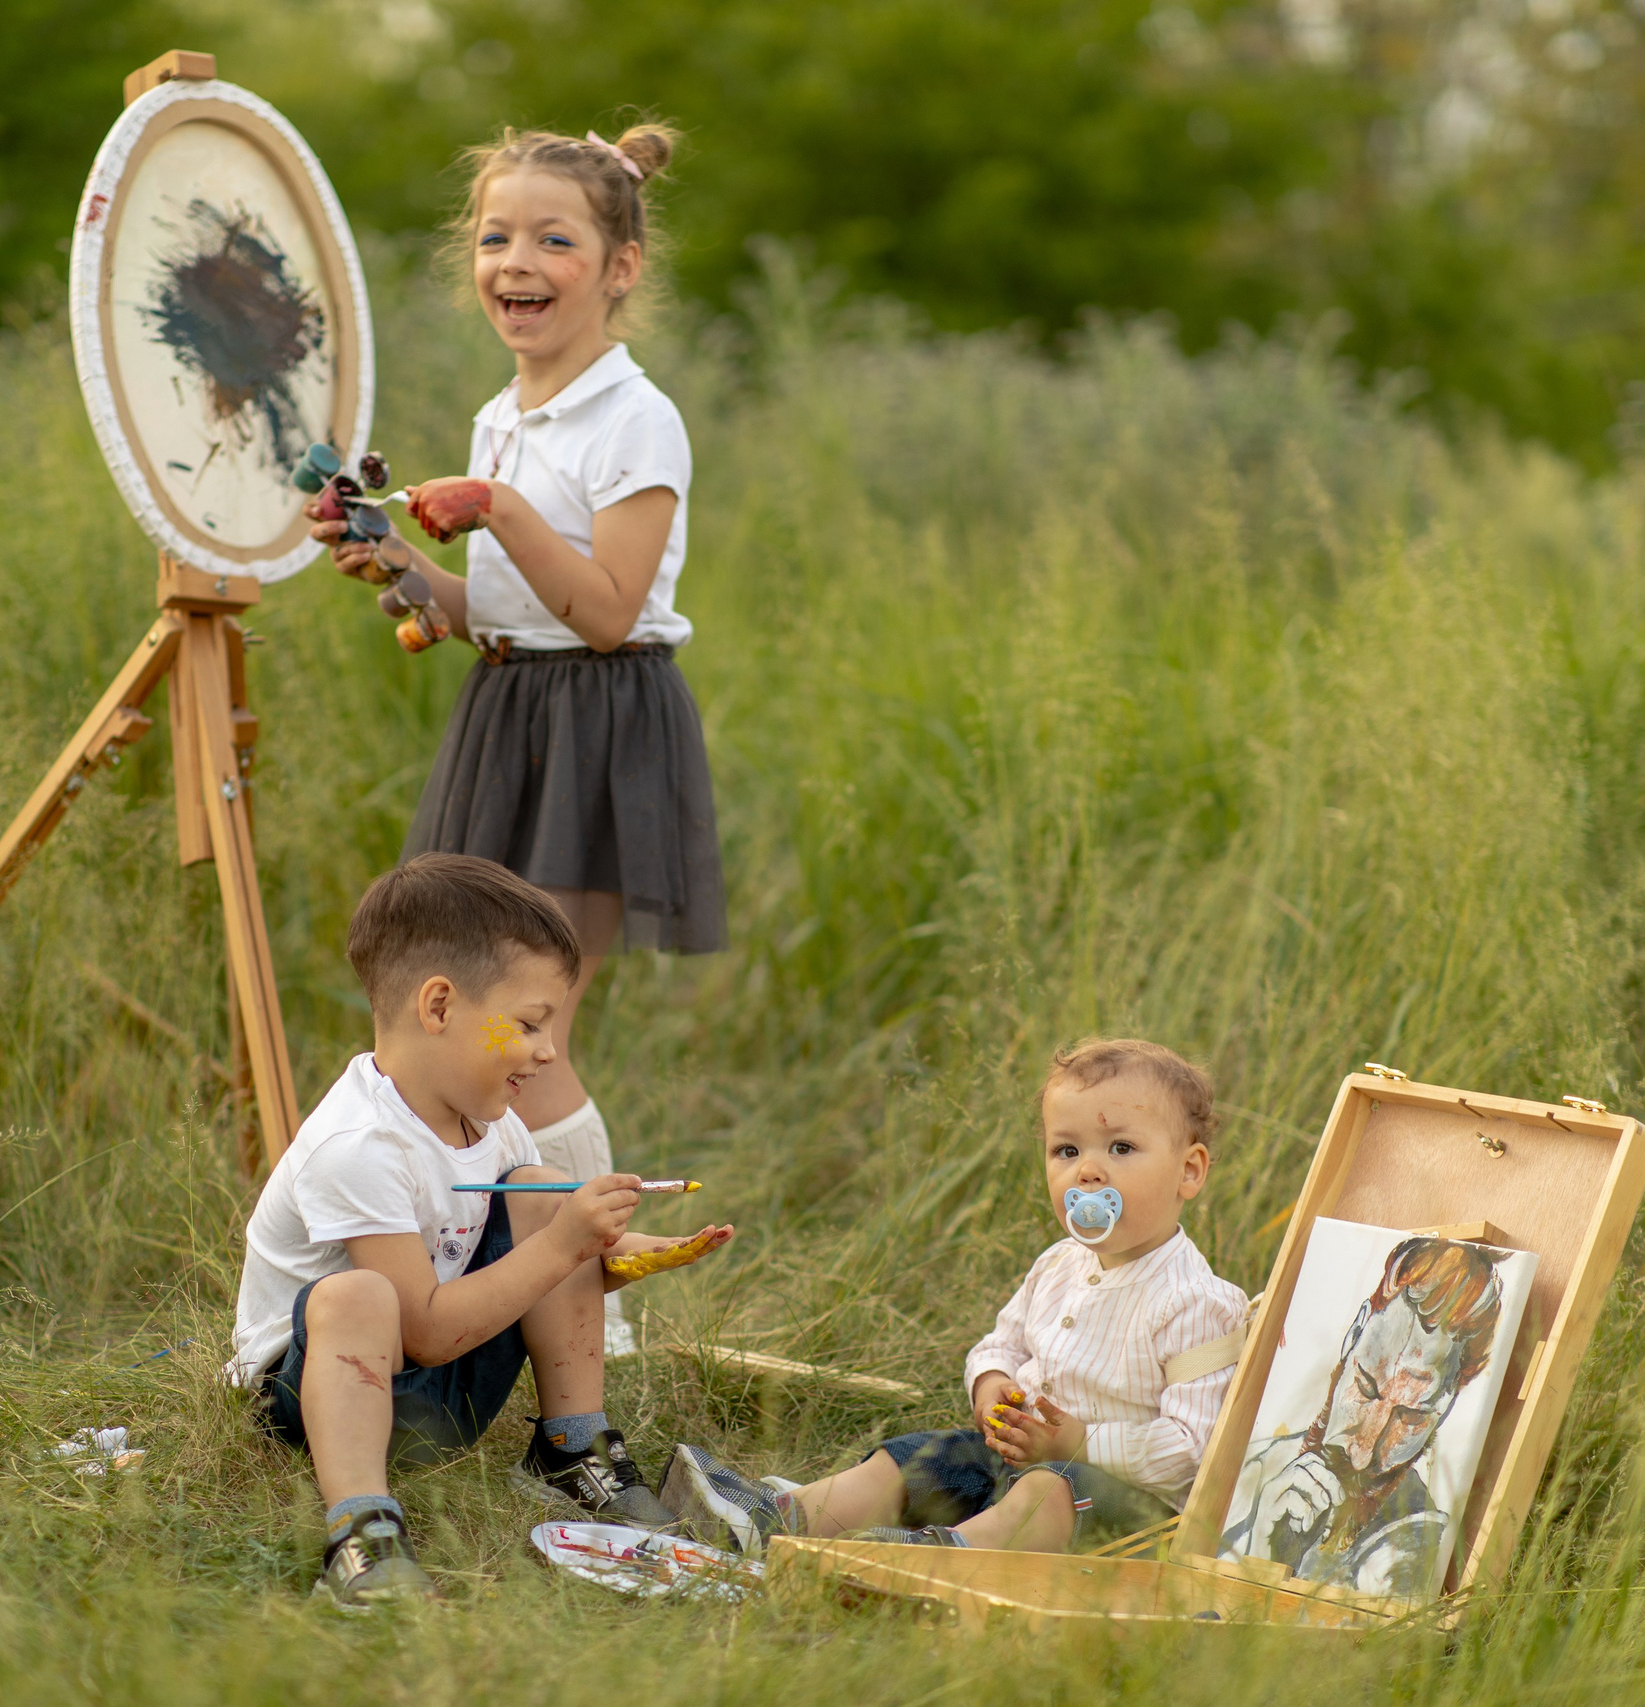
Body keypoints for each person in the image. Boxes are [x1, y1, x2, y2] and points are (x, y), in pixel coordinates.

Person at [308, 123, 723, 1357]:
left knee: (524, 1040)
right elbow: (492, 606)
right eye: (496, 237)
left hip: (598, 728)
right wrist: (401, 566)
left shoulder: (635, 420)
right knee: (477, 1038)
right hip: (506, 714)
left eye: (555, 238)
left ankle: (586, 1305)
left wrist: (502, 508)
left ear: (621, 265)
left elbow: (600, 612)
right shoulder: (505, 414)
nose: (516, 260)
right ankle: (534, 1287)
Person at [223, 855, 733, 1609]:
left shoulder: (492, 1123)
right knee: (361, 1292)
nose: (548, 1049)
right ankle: (362, 1529)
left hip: (433, 1383)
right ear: (438, 1006)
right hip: (315, 1397)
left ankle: (572, 1446)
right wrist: (566, 1242)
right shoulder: (358, 1143)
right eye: (528, 1023)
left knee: (536, 1195)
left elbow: (543, 1250)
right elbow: (422, 1329)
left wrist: (631, 1248)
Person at [659, 1038, 1247, 1555]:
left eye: (1120, 1148)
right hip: (1017, 1464)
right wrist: (992, 1385)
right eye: (1067, 1151)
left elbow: (1194, 1451)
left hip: (1121, 1515)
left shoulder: (1197, 1303)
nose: (1088, 1172)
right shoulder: (1058, 1265)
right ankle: (780, 1519)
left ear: (1188, 1172)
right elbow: (1003, 1343)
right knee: (924, 1457)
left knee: (1048, 1492)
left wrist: (1079, 1443)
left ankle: (943, 1554)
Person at [1216, 1236, 1505, 1597]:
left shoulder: (1408, 1553)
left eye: (1410, 1417)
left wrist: (1265, 1569)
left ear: (1447, 1404)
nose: (1362, 1453)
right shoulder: (1249, 1465)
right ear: (1354, 1333)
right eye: (1366, 1387)